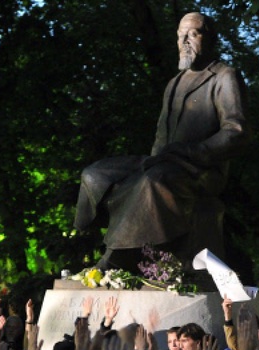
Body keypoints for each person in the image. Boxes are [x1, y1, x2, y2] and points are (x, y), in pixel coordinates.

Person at [74, 12, 249, 270]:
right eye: (180, 35)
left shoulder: (224, 76)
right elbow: (161, 135)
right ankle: (93, 238)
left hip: (200, 169)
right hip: (163, 160)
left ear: (210, 38)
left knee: (153, 181)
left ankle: (117, 258)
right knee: (96, 174)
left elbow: (237, 131)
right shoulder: (174, 84)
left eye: (193, 33)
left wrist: (193, 151)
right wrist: (153, 160)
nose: (184, 40)